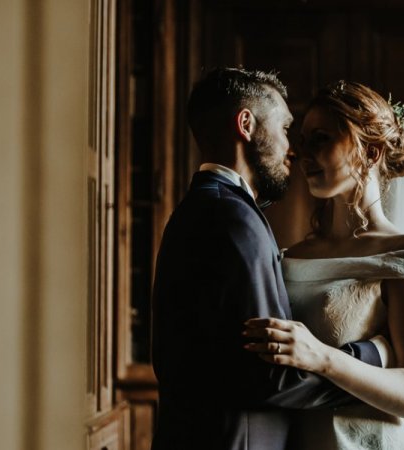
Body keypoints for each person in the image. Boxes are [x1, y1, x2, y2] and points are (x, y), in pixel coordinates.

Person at [150, 69, 389, 450]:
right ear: (246, 124)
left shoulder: (198, 209)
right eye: (284, 128)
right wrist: (375, 358)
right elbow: (272, 377)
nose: (291, 148)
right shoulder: (234, 218)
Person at [243, 81, 404, 449]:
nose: (303, 154)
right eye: (301, 141)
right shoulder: (289, 256)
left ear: (372, 151)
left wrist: (320, 356)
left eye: (321, 138)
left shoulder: (403, 253)